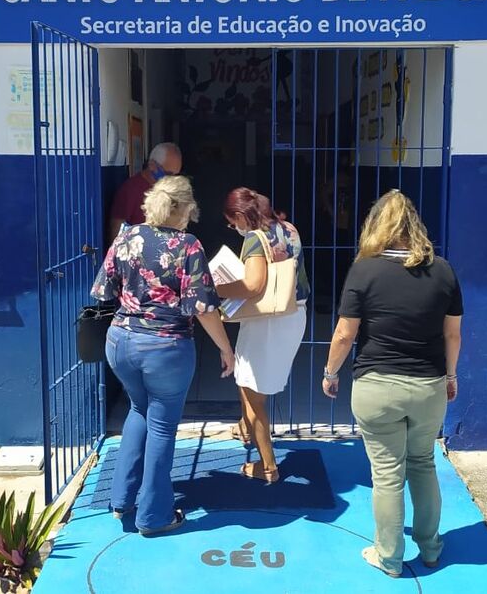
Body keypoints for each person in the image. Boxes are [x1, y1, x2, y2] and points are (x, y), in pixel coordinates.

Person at [321, 189, 463, 578]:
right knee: (422, 463)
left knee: (386, 474)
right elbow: (453, 335)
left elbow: (345, 334)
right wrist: (451, 377)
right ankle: (431, 547)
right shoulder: (443, 270)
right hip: (428, 387)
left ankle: (389, 556)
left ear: (376, 225)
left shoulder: (364, 269)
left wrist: (330, 373)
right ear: (415, 226)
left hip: (377, 387)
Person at [90, 175, 235, 536]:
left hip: (120, 342)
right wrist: (225, 348)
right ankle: (154, 516)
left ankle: (121, 498)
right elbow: (202, 307)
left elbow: (102, 290)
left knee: (139, 410)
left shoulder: (126, 236)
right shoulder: (188, 246)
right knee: (162, 427)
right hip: (165, 348)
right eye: (191, 209)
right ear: (182, 208)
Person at [216, 188, 310, 484]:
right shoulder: (288, 228)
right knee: (252, 379)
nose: (234, 228)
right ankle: (245, 428)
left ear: (242, 216)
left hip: (268, 322)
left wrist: (215, 287)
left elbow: (254, 286)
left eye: (233, 223)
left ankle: (268, 467)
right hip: (294, 313)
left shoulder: (255, 238)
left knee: (250, 391)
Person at [108, 142, 182, 244]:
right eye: (168, 174)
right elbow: (116, 230)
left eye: (176, 175)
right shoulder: (130, 190)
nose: (172, 179)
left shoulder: (170, 190)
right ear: (152, 165)